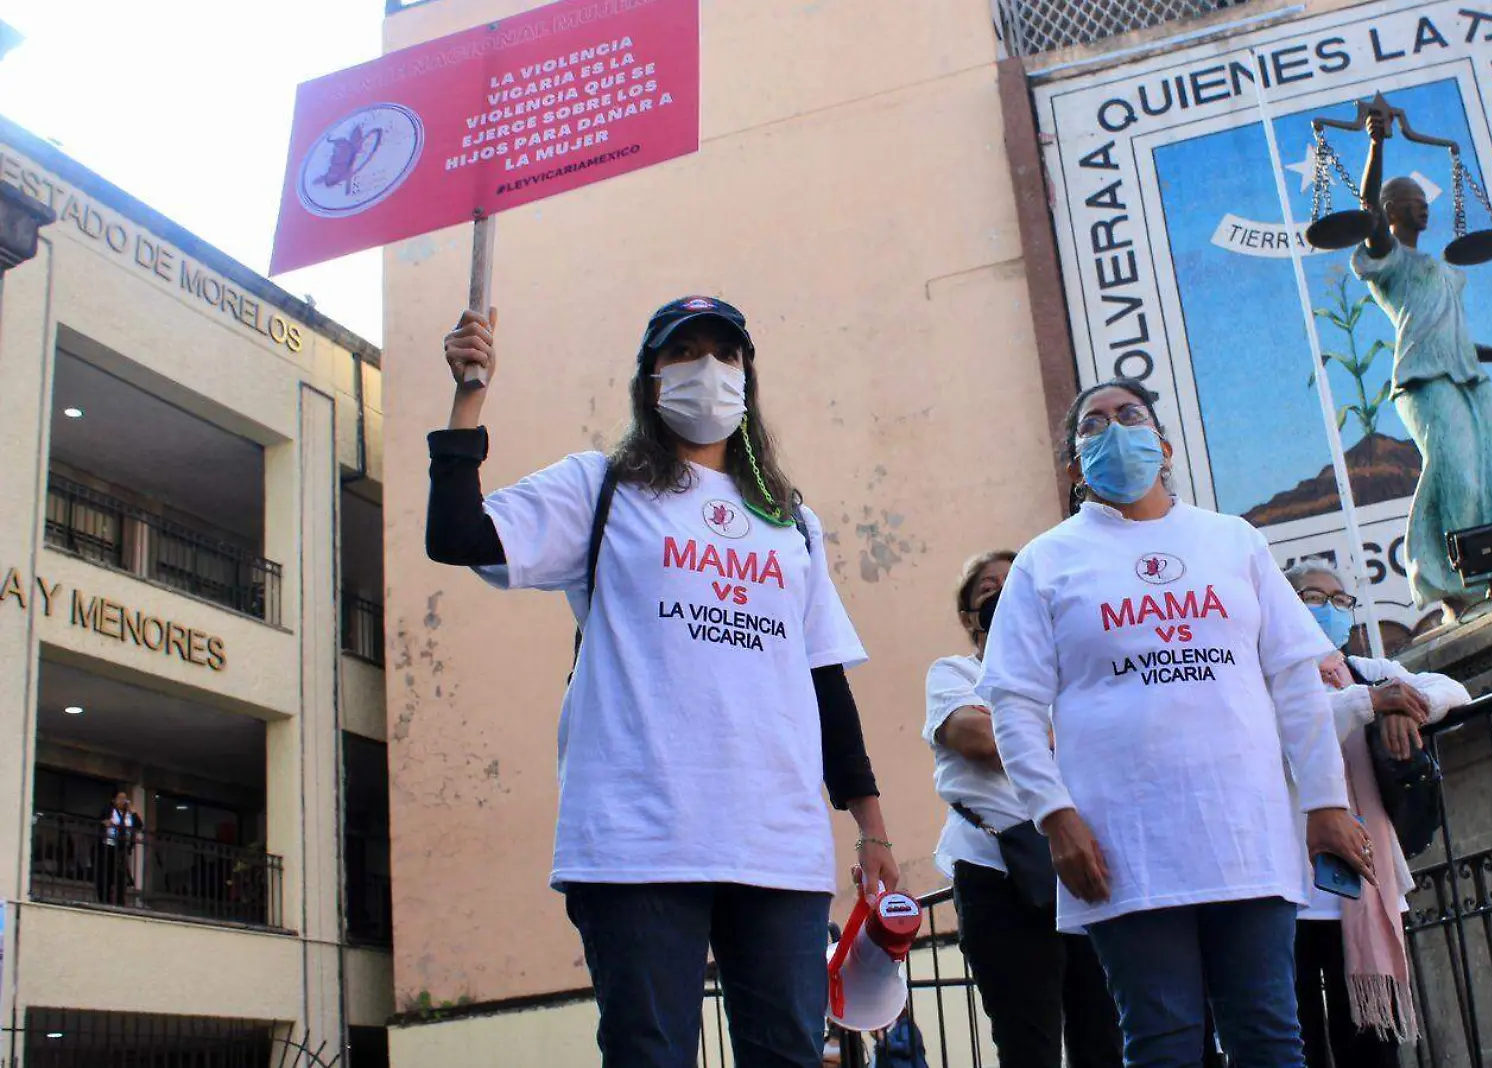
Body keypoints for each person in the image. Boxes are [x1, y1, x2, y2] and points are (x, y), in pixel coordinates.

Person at [426, 297, 899, 1068]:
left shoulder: (790, 520)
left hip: (775, 838)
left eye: (726, 353)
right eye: (684, 353)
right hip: (636, 835)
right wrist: (470, 392)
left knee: (789, 1053)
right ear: (649, 381)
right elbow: (457, 535)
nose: (707, 369)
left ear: (748, 378)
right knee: (651, 1054)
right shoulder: (599, 489)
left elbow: (823, 680)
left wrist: (871, 827)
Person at [978, 379, 1375, 1068]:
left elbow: (1295, 680)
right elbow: (1011, 703)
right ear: (1074, 467)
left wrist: (1325, 802)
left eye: (1128, 416)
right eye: (1092, 425)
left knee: (1269, 1037)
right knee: (1162, 1044)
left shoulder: (1232, 542)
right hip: (1123, 846)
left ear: (1162, 446)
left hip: (1246, 835)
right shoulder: (1047, 562)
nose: (1113, 431)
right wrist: (1054, 816)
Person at [923, 550, 1122, 1068]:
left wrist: (1034, 736)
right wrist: (1055, 736)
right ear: (970, 616)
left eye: (1013, 582)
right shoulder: (954, 673)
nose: (1002, 591)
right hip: (998, 874)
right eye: (987, 588)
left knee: (1103, 1035)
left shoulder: (1068, 676)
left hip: (1084, 868)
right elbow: (983, 740)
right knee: (1027, 1042)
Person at [1282, 560, 1470, 1068]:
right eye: (1314, 598)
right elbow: (1297, 727)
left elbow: (1454, 689)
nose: (1330, 610)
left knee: (1370, 1044)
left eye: (1339, 601)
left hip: (1364, 880)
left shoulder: (1366, 671)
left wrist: (1401, 708)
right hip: (1294, 891)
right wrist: (1369, 704)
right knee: (1299, 1042)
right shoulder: (1271, 677)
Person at [1352, 107, 1492, 622]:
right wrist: (1376, 143)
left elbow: (1457, 342)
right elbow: (1365, 209)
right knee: (1457, 472)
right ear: (1392, 211)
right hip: (1422, 381)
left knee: (1491, 474)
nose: (1423, 211)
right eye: (1411, 204)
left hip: (1466, 378)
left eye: (1423, 203)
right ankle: (1461, 579)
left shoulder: (1444, 273)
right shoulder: (1390, 265)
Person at [96, 789, 141, 906]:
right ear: (114, 800)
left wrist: (134, 812)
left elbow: (139, 825)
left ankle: (120, 901)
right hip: (109, 844)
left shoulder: (129, 814)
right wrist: (105, 823)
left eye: (125, 798)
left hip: (122, 847)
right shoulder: (109, 810)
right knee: (106, 873)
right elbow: (100, 821)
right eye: (120, 798)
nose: (123, 801)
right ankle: (104, 899)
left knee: (120, 875)